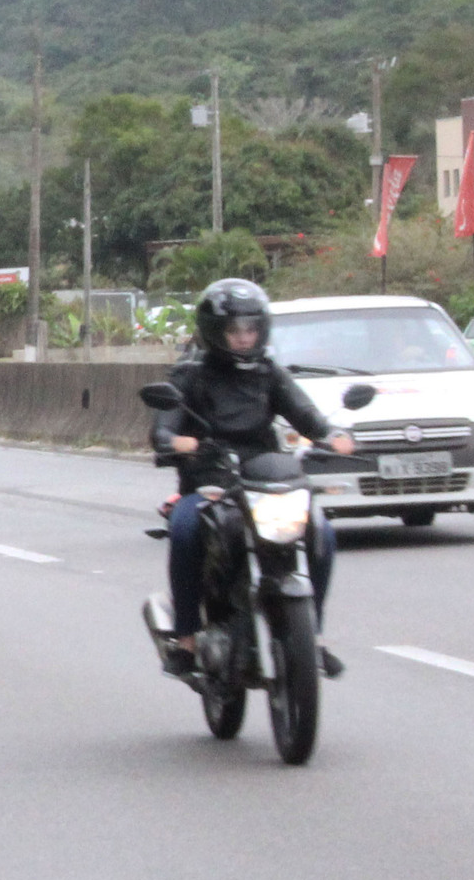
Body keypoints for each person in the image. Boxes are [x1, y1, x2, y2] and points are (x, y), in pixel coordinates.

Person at [151, 278, 357, 678]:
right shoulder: (189, 376)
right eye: (234, 330)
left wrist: (333, 437)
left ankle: (312, 637)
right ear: (215, 331)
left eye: (251, 329)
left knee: (321, 531)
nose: (244, 338)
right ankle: (188, 637)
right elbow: (161, 432)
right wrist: (184, 443)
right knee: (186, 527)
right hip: (211, 480)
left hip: (264, 478)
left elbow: (309, 418)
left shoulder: (268, 374)